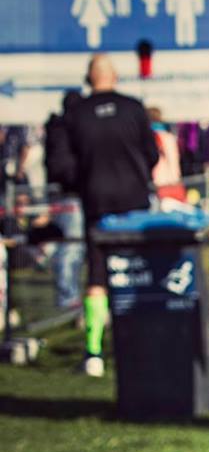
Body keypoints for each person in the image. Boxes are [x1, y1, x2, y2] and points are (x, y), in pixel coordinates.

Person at [47, 54, 156, 377]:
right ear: (115, 77)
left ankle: (94, 351)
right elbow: (151, 154)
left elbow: (62, 166)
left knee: (98, 275)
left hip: (97, 202)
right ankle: (138, 343)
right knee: (138, 270)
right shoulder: (133, 108)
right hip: (134, 202)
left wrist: (87, 183)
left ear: (88, 78)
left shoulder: (76, 115)